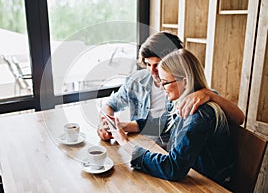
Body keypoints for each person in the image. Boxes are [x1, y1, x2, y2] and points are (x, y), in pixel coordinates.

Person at [109, 49, 234, 187]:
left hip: (209, 186)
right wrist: (125, 126)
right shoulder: (182, 102)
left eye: (165, 82)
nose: (162, 88)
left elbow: (173, 168)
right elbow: (165, 123)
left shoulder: (199, 115)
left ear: (184, 82)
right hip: (192, 177)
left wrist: (126, 145)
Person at [98, 32, 244, 141]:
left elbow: (239, 118)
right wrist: (107, 125)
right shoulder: (136, 81)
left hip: (169, 154)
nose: (152, 71)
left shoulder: (191, 93)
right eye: (148, 65)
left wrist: (210, 95)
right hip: (140, 144)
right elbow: (110, 105)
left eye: (157, 65)